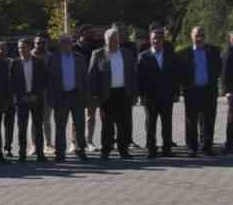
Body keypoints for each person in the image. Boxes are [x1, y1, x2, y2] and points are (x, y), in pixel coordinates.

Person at [89, 28, 138, 159]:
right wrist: (93, 95)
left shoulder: (127, 54)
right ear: (105, 40)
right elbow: (92, 76)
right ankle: (106, 150)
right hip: (107, 94)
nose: (113, 42)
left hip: (123, 93)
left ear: (119, 40)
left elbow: (133, 76)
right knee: (107, 124)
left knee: (124, 124)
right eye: (110, 40)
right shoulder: (98, 54)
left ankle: (123, 150)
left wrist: (134, 94)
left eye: (115, 39)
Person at [136, 27, 178, 160]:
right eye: (154, 38)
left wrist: (176, 93)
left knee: (167, 124)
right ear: (150, 40)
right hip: (150, 96)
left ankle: (167, 149)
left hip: (166, 95)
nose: (156, 41)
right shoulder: (143, 56)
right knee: (150, 124)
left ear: (163, 40)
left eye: (159, 38)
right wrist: (141, 95)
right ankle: (151, 149)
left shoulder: (171, 55)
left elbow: (174, 76)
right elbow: (139, 78)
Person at [47, 32, 89, 160]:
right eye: (63, 42)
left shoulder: (79, 58)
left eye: (68, 42)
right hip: (61, 97)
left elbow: (84, 79)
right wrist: (51, 99)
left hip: (77, 96)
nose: (66, 45)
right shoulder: (53, 59)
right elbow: (49, 81)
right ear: (59, 44)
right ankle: (60, 153)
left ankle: (80, 149)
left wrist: (85, 97)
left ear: (72, 44)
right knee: (60, 126)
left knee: (80, 124)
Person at [181, 26, 222, 157]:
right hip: (192, 91)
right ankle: (192, 148)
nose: (199, 38)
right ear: (191, 36)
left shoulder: (214, 51)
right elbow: (180, 73)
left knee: (208, 120)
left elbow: (218, 68)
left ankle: (207, 146)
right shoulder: (184, 53)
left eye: (202, 35)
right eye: (196, 35)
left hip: (208, 90)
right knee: (191, 121)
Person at [9, 38, 47, 161]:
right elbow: (12, 83)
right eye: (19, 47)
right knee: (22, 128)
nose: (21, 50)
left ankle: (40, 153)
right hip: (22, 100)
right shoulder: (14, 63)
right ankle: (22, 154)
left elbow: (43, 81)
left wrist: (36, 95)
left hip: (36, 99)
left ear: (30, 48)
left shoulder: (39, 62)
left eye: (23, 47)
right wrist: (21, 96)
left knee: (38, 127)